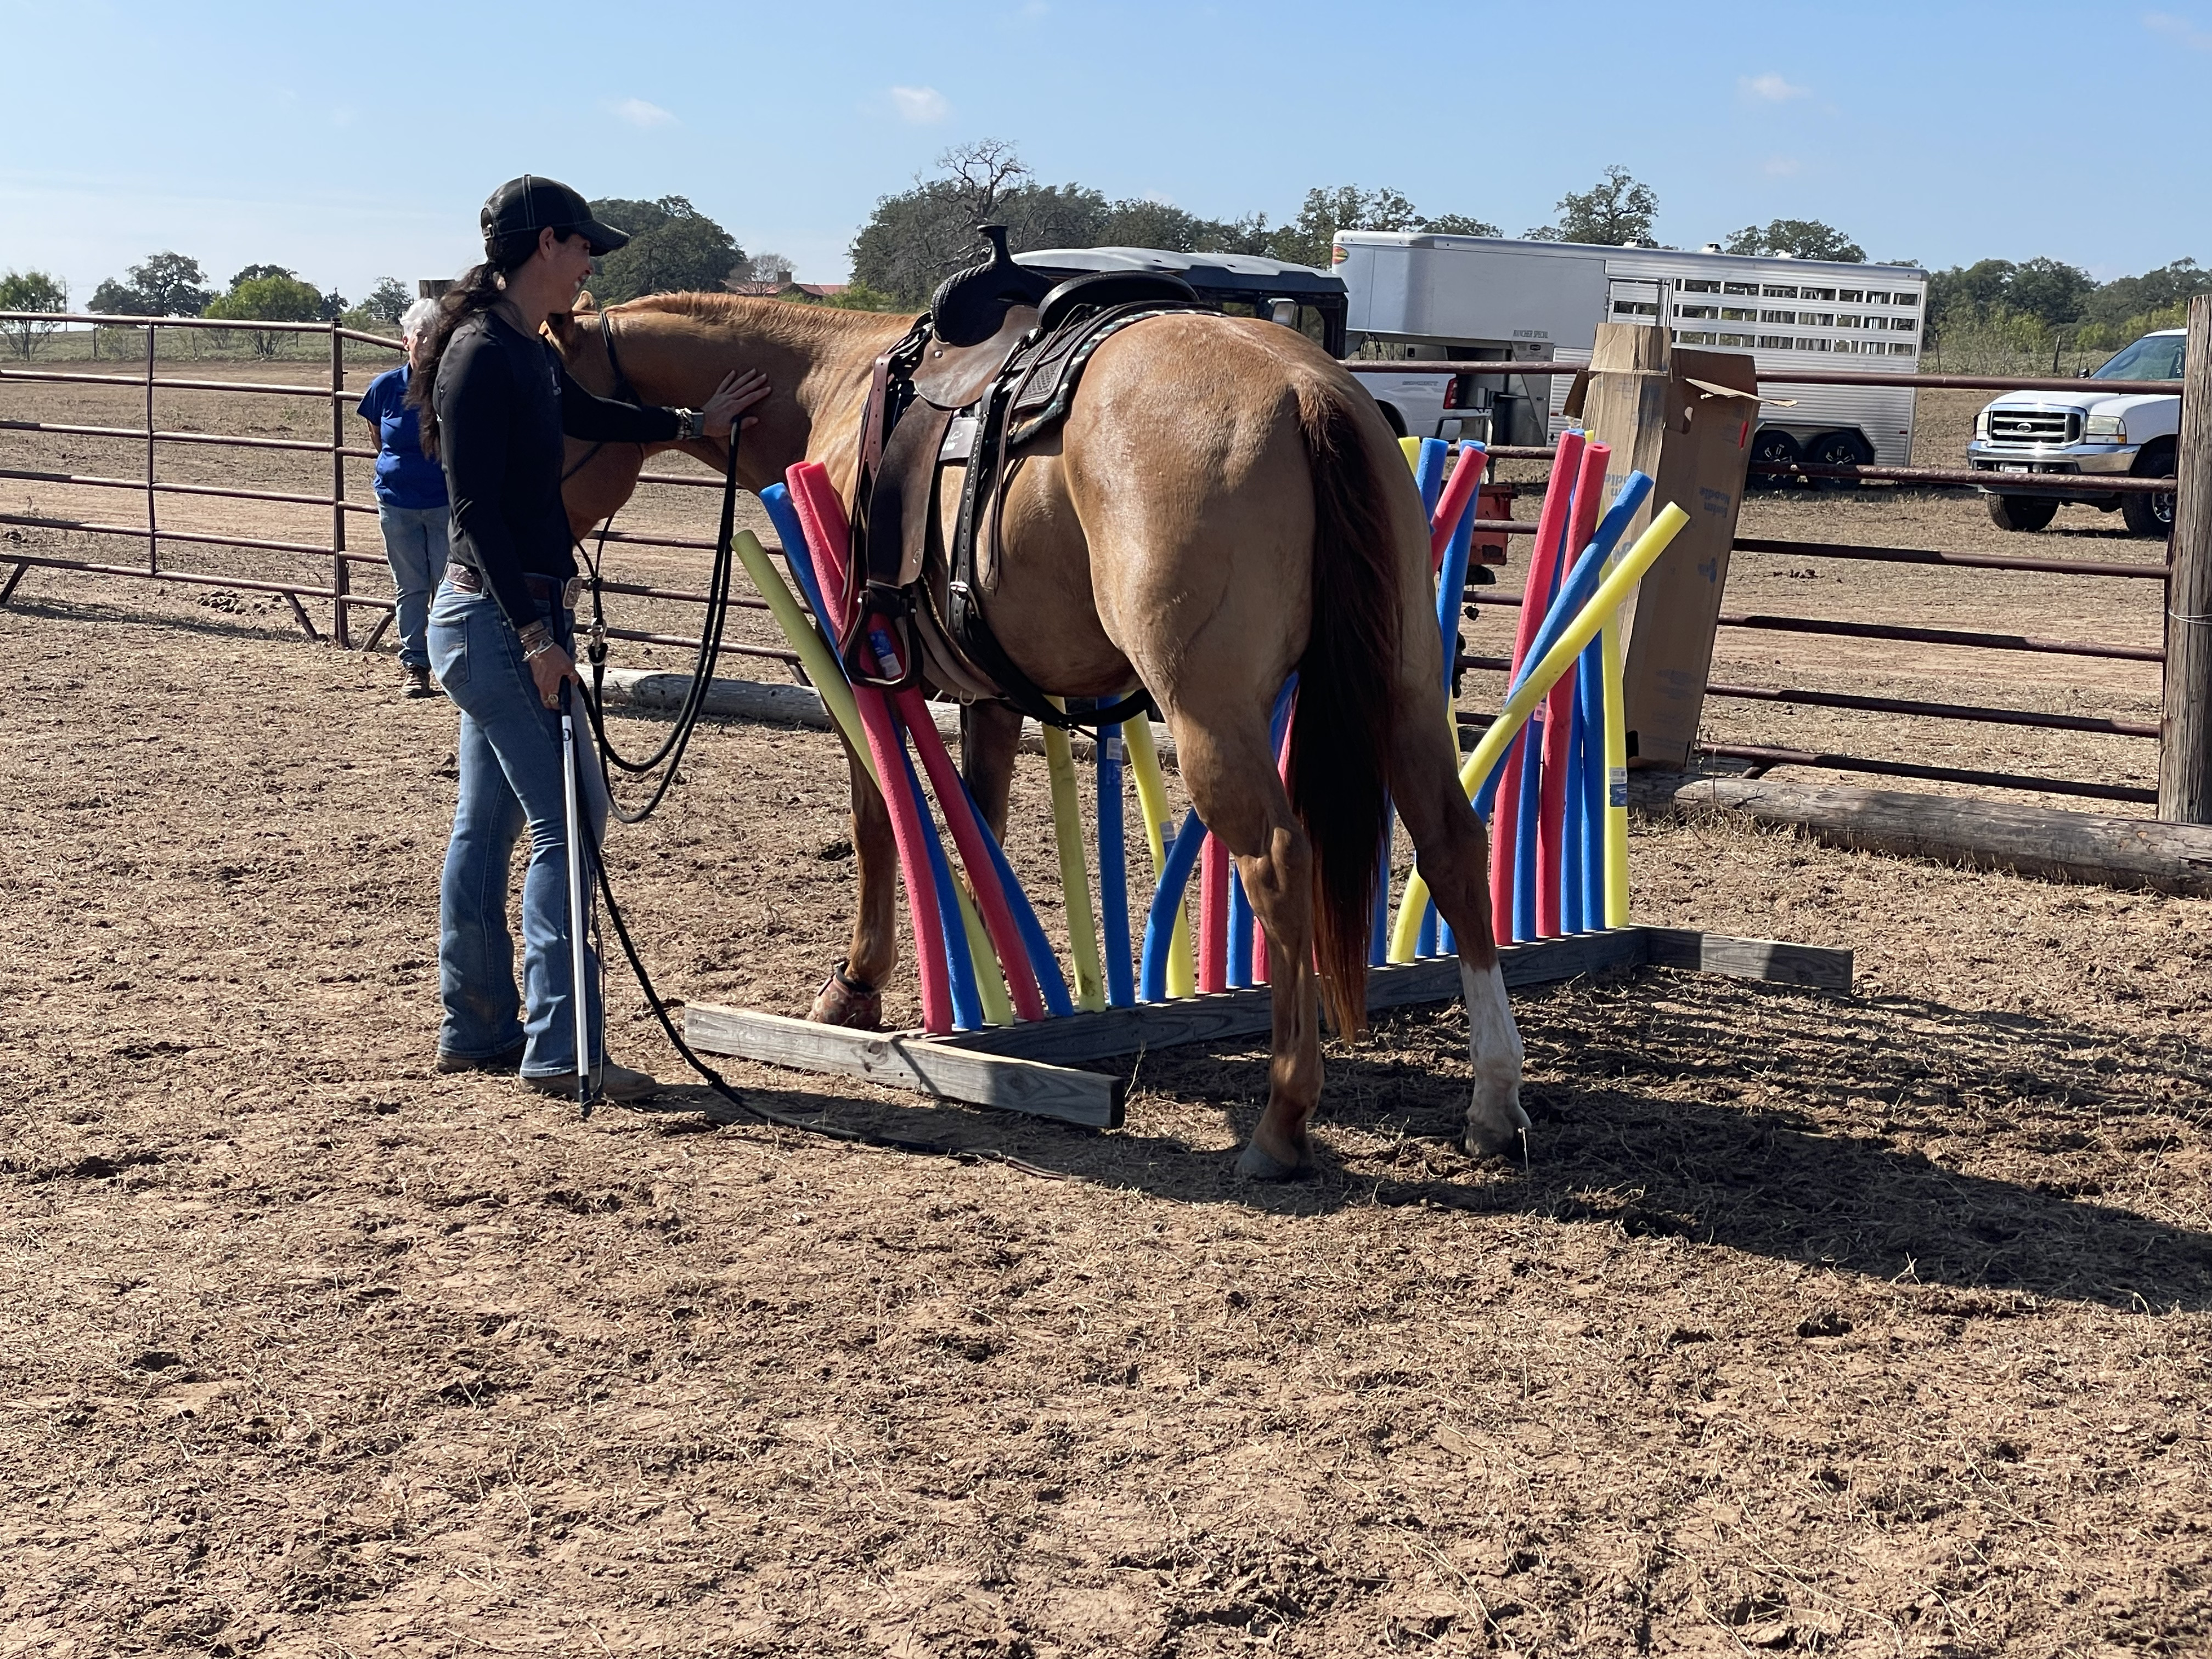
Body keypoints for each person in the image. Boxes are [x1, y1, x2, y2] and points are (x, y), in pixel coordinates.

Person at [409, 175, 769, 1101]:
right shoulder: (486, 353)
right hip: (501, 618)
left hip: (489, 616)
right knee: (572, 821)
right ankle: (564, 1049)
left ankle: (477, 1024)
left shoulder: (516, 346)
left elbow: (580, 415)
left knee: (489, 821)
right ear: (544, 247)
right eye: (581, 251)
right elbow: (477, 507)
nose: (588, 268)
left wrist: (690, 424)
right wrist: (534, 634)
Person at [357, 298, 450, 696]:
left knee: (449, 585)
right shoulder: (385, 388)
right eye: (421, 335)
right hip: (397, 502)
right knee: (410, 585)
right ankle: (416, 664)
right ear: (405, 341)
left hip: (445, 500)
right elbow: (380, 438)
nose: (428, 344)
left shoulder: (450, 385)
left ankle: (452, 665)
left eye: (436, 336)